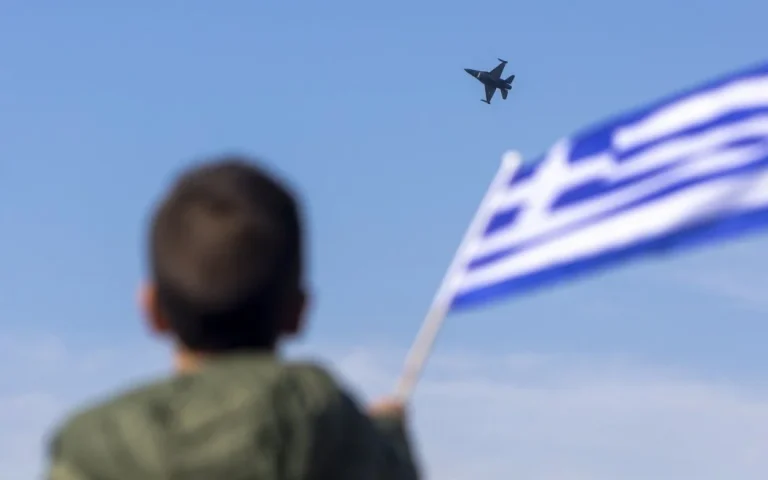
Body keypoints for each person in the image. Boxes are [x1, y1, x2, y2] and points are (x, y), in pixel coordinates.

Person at [45, 156, 421, 480]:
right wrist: (390, 443)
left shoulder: (94, 447)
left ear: (152, 310)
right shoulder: (331, 425)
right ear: (298, 311)